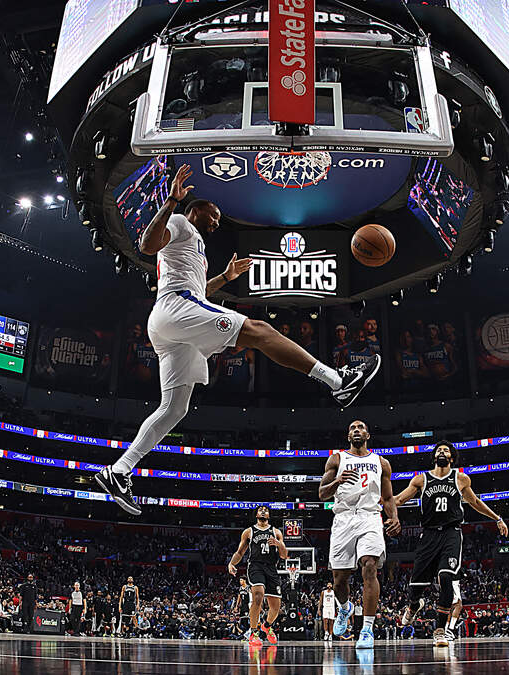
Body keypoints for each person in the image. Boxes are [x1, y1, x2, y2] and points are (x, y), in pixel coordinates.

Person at [93, 165, 381, 515]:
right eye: (212, 215)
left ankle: (118, 470)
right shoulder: (181, 223)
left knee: (174, 408)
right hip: (175, 309)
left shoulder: (194, 247)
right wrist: (170, 201)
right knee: (261, 331)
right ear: (194, 210)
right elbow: (146, 245)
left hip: (172, 317)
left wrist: (224, 277)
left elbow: (197, 290)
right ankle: (338, 380)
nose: (216, 223)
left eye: (217, 220)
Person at [392, 441, 508, 646]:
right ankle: (413, 606)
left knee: (446, 577)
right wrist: (377, 505)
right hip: (428, 535)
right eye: (439, 450)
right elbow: (399, 499)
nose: (442, 452)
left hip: (451, 534)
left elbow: (475, 502)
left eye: (446, 450)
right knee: (416, 588)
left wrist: (497, 518)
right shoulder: (421, 479)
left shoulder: (460, 478)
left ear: (452, 458)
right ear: (434, 457)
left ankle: (440, 630)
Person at [318, 419, 400, 650]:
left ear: (368, 434)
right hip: (344, 518)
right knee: (339, 581)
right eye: (352, 428)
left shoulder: (381, 463)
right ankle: (345, 608)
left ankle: (367, 629)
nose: (356, 430)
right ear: (348, 436)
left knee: (370, 565)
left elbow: (388, 497)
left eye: (360, 427)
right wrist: (337, 481)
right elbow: (322, 494)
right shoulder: (336, 459)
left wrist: (394, 517)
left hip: (370, 516)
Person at [228, 505, 288, 647]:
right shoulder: (249, 532)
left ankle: (266, 626)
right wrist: (231, 563)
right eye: (260, 509)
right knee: (258, 596)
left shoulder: (276, 532)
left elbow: (284, 555)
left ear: (269, 515)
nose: (263, 511)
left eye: (266, 510)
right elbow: (240, 552)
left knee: (276, 608)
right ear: (256, 514)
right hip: (255, 566)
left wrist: (279, 544)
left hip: (272, 568)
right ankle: (253, 632)